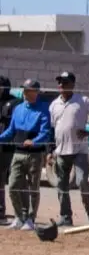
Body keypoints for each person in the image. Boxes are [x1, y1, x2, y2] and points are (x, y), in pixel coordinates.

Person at [48, 71, 89, 227]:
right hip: (61, 151)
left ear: (72, 85)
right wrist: (50, 151)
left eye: (65, 82)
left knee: (82, 181)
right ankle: (66, 217)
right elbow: (53, 129)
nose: (61, 85)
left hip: (79, 149)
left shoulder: (82, 101)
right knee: (62, 185)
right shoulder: (54, 105)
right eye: (59, 82)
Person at [0, 79, 52, 230]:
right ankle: (19, 217)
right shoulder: (18, 108)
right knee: (13, 185)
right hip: (18, 153)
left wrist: (35, 141)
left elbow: (46, 132)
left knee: (33, 188)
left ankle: (30, 219)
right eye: (25, 90)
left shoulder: (43, 109)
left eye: (29, 90)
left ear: (36, 92)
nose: (26, 93)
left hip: (35, 155)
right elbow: (10, 131)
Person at [0, 75, 22, 220]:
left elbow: (13, 126)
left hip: (6, 148)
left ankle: (1, 210)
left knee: (2, 179)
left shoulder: (14, 103)